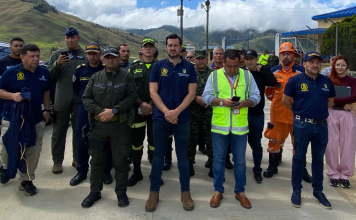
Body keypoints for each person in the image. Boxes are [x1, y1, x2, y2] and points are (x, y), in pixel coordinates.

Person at [145, 34, 197, 212]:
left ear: (180, 47)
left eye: (175, 45)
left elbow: (191, 94)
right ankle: (153, 193)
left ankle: (185, 193)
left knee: (183, 157)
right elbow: (153, 92)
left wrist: (176, 112)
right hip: (161, 118)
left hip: (182, 118)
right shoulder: (158, 66)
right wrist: (167, 112)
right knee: (158, 156)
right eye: (170, 45)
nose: (173, 48)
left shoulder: (189, 67)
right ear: (166, 47)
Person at [203, 49, 260, 209]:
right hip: (219, 128)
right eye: (229, 66)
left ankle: (240, 191)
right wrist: (221, 101)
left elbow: (256, 97)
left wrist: (245, 103)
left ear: (240, 63)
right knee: (218, 160)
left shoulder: (247, 76)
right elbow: (206, 96)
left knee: (240, 161)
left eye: (235, 66)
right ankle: (218, 190)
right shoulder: (214, 76)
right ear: (223, 63)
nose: (233, 70)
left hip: (240, 128)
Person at [81, 47, 136, 208]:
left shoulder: (126, 77)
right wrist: (100, 112)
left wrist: (114, 111)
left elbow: (132, 98)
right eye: (107, 57)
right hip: (99, 125)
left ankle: (121, 192)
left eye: (113, 57)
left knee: (121, 160)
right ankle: (94, 192)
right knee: (97, 160)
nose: (110, 60)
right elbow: (86, 99)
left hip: (120, 125)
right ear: (103, 59)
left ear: (119, 59)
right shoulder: (96, 77)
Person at [283, 51, 335, 209]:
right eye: (311, 62)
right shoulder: (295, 80)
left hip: (321, 126)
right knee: (299, 158)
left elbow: (331, 101)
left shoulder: (327, 81)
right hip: (301, 125)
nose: (315, 65)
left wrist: (317, 113)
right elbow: (285, 100)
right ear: (304, 64)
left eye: (318, 62)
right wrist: (300, 112)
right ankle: (296, 190)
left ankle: (318, 191)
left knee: (318, 160)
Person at [0, 44, 50, 195]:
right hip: (13, 118)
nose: (35, 59)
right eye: (31, 56)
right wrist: (13, 96)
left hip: (35, 118)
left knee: (33, 151)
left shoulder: (44, 72)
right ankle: (5, 167)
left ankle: (26, 180)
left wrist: (47, 110)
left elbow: (46, 91)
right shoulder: (11, 72)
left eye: (37, 56)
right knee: (7, 149)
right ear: (22, 57)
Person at [264, 42, 312, 183]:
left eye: (289, 54)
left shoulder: (301, 72)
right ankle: (273, 166)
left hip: (296, 114)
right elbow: (269, 93)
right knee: (274, 140)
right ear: (279, 56)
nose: (286, 56)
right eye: (283, 54)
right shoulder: (273, 72)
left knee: (299, 142)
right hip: (277, 113)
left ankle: (301, 169)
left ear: (293, 56)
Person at [70, 43, 113, 186]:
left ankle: (105, 171)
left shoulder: (107, 69)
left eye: (94, 53)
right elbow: (76, 90)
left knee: (104, 141)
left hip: (103, 109)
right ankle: (81, 171)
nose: (92, 56)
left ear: (100, 54)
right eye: (89, 53)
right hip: (85, 109)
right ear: (86, 54)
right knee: (82, 140)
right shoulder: (80, 71)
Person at [47, 27, 86, 174]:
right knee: (58, 131)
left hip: (79, 99)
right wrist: (57, 64)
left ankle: (77, 158)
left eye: (73, 37)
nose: (70, 40)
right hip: (61, 98)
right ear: (65, 39)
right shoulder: (58, 54)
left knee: (79, 130)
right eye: (67, 37)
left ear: (78, 38)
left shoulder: (85, 54)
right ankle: (57, 161)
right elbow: (49, 75)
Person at [128, 37, 158, 186]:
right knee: (136, 143)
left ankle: (155, 173)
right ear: (141, 49)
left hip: (155, 111)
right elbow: (129, 89)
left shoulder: (160, 67)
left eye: (150, 46)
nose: (147, 49)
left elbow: (163, 89)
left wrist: (151, 105)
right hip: (137, 110)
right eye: (145, 46)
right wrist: (140, 104)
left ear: (154, 49)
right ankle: (137, 172)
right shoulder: (134, 67)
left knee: (154, 143)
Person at [244, 49, 277, 183]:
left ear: (256, 59)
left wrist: (264, 69)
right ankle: (234, 165)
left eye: (252, 58)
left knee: (255, 143)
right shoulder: (241, 72)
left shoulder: (261, 73)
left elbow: (273, 82)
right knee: (237, 143)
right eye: (247, 59)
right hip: (241, 113)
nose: (249, 61)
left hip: (257, 114)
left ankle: (257, 169)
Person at [325, 56, 356, 189]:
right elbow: (325, 95)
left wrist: (337, 101)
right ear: (333, 65)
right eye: (337, 65)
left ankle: (345, 175)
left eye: (343, 65)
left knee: (347, 144)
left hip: (347, 114)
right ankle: (333, 173)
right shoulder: (328, 80)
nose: (340, 67)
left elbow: (354, 96)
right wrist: (343, 101)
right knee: (331, 144)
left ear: (347, 66)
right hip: (331, 113)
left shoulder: (352, 81)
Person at [0, 37, 24, 182]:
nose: (18, 48)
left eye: (21, 46)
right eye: (16, 46)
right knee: (5, 140)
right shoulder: (3, 63)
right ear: (10, 47)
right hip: (6, 106)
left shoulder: (26, 62)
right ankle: (4, 168)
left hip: (23, 108)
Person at [187, 50, 213, 177]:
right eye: (198, 58)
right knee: (191, 139)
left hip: (210, 112)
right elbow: (183, 91)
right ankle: (190, 164)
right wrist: (195, 98)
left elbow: (220, 91)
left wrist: (210, 100)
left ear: (207, 59)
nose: (201, 60)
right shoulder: (189, 73)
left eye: (203, 58)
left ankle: (213, 164)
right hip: (193, 112)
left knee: (211, 139)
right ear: (194, 60)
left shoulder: (214, 74)